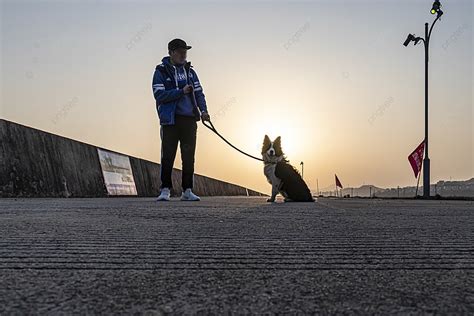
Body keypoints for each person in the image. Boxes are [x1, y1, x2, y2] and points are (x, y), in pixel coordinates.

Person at [152, 38, 210, 201]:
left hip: (189, 119)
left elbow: (199, 92)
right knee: (168, 155)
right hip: (170, 120)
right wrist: (180, 91)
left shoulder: (191, 72)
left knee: (188, 156)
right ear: (171, 52)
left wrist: (204, 110)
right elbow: (159, 95)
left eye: (185, 51)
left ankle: (187, 190)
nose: (184, 54)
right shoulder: (161, 72)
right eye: (180, 51)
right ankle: (165, 189)